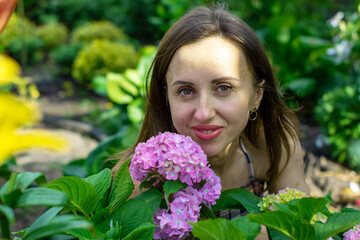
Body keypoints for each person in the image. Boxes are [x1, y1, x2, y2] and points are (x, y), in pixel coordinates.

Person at [112, 3, 308, 220]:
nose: (204, 113)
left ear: (257, 96)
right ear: (166, 96)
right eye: (186, 91)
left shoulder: (272, 146)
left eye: (224, 88)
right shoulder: (144, 179)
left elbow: (303, 224)